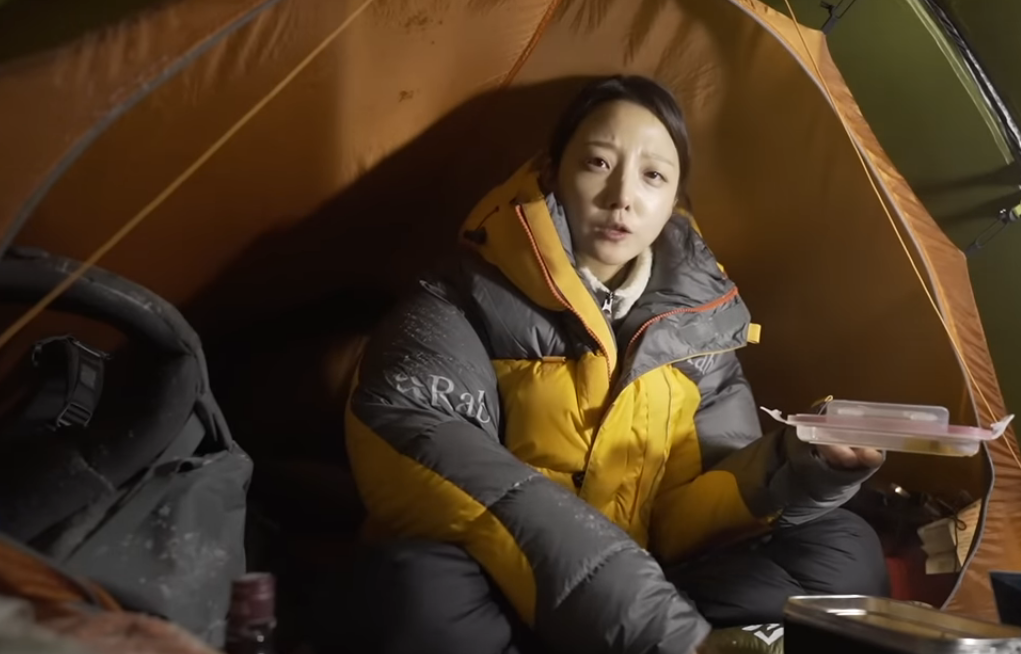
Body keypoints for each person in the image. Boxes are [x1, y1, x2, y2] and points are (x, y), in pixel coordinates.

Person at [339, 75, 889, 654]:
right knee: (418, 588)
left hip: (644, 592)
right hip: (513, 587)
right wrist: (667, 635)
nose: (622, 196)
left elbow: (680, 519)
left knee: (842, 550)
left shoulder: (700, 331)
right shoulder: (456, 299)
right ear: (552, 172)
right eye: (598, 163)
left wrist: (803, 464)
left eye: (653, 175)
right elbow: (435, 449)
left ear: (674, 202)